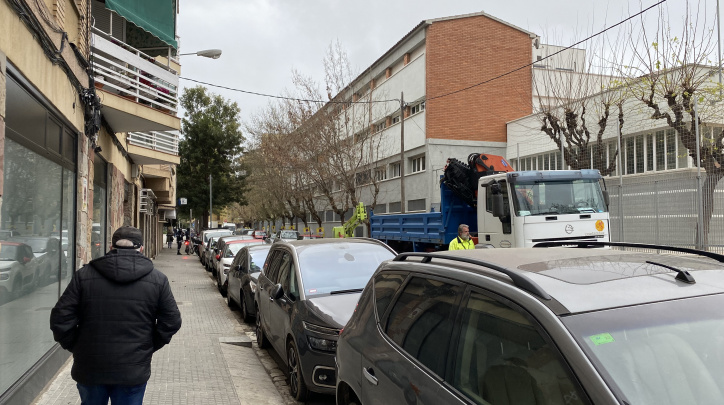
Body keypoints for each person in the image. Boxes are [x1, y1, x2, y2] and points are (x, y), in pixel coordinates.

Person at [49, 226, 182, 405]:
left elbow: (60, 318)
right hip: (132, 370)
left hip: (91, 367)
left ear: (111, 247)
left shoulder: (84, 276)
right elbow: (172, 321)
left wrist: (77, 346)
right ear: (141, 248)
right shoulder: (157, 280)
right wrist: (148, 345)